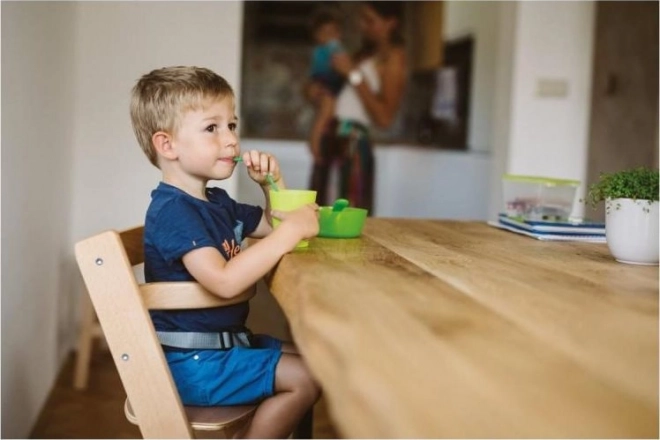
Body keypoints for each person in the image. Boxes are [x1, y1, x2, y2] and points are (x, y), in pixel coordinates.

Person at [130, 66, 321, 439]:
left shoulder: (217, 202)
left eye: (232, 126)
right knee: (306, 379)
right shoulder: (173, 211)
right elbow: (223, 281)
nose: (231, 140)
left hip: (225, 347)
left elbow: (273, 225)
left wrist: (272, 184)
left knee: (320, 362)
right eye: (212, 128)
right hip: (192, 364)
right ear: (167, 145)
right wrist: (291, 232)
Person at [307, 1, 407, 212]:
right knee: (318, 213)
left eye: (370, 20)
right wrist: (312, 90)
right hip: (331, 136)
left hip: (353, 145)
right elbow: (325, 90)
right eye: (362, 19)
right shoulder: (362, 55)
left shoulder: (394, 59)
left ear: (391, 23)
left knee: (346, 215)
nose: (363, 26)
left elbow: (385, 118)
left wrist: (353, 74)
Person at [308, 8, 345, 165]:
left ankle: (318, 139)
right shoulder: (322, 52)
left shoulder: (335, 50)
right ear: (317, 36)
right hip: (327, 82)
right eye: (325, 32)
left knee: (328, 115)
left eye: (332, 32)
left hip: (332, 82)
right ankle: (315, 141)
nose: (329, 36)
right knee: (326, 110)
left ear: (339, 33)